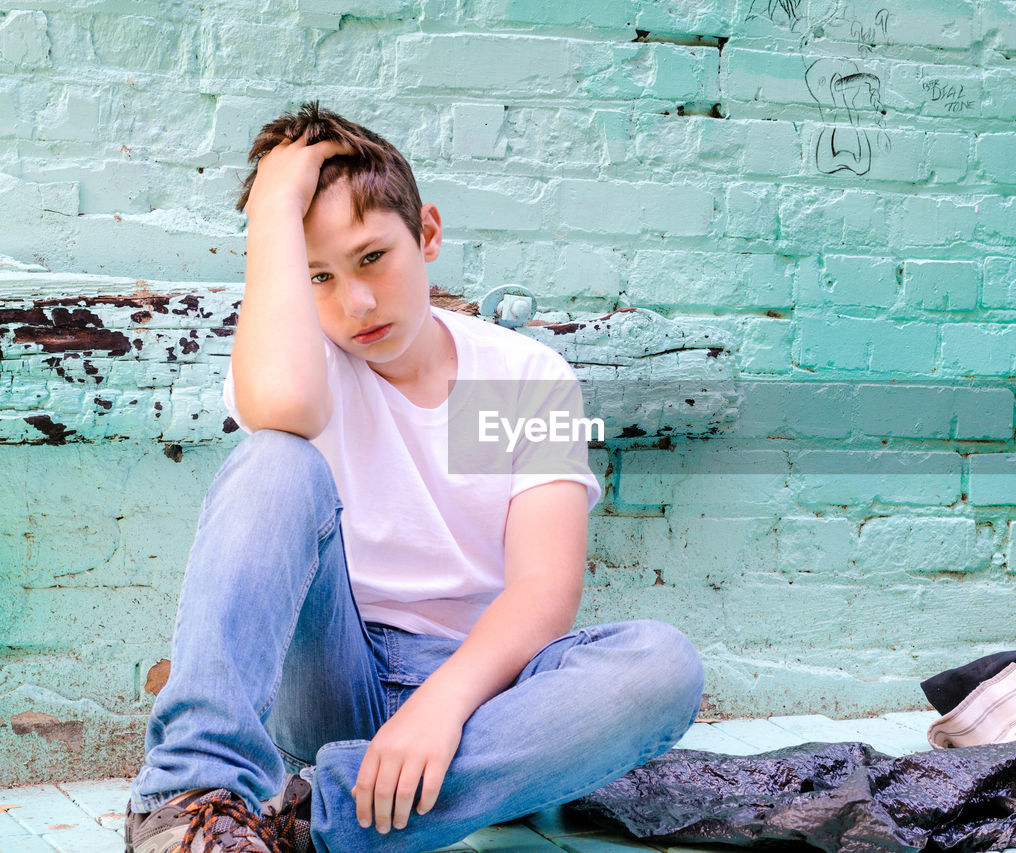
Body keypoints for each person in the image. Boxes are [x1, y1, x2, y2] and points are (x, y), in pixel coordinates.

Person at [124, 102, 705, 853]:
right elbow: (288, 409)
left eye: (372, 258)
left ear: (427, 233)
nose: (355, 303)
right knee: (275, 457)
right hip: (336, 670)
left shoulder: (519, 376)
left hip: (482, 692)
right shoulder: (309, 366)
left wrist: (442, 705)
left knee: (660, 665)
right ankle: (190, 800)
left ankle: (305, 821)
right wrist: (272, 202)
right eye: (318, 277)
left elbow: (544, 586)